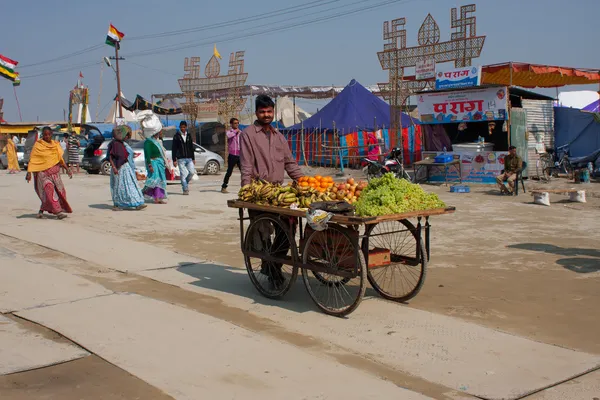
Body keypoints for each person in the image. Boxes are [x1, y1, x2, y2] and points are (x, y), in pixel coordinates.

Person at [240, 95, 303, 288]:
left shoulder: (279, 137)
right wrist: (245, 191)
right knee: (264, 232)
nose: (266, 115)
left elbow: (290, 163)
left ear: (273, 112)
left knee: (288, 228)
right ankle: (272, 272)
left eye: (269, 111)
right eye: (262, 112)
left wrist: (303, 181)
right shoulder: (248, 135)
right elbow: (246, 165)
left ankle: (272, 265)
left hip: (279, 193)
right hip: (259, 192)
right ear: (257, 112)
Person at [26, 126, 72, 219]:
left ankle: (41, 211)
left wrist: (67, 169)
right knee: (49, 191)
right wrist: (29, 172)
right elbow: (33, 159)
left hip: (55, 174)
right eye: (45, 135)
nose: (47, 136)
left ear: (51, 135)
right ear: (42, 135)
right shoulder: (38, 145)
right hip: (43, 174)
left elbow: (60, 159)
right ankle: (58, 212)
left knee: (61, 192)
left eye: (49, 134)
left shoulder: (55, 145)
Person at [107, 125, 147, 211]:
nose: (127, 137)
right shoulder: (114, 144)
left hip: (125, 167)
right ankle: (117, 204)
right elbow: (110, 157)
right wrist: (114, 167)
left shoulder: (121, 144)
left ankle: (137, 202)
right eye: (126, 135)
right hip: (119, 168)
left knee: (130, 186)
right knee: (118, 187)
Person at [138, 111, 168, 204]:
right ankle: (141, 194)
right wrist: (150, 165)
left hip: (159, 163)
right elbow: (147, 154)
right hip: (153, 163)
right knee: (153, 181)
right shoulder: (148, 142)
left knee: (159, 181)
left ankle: (157, 198)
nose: (161, 132)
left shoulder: (157, 141)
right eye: (160, 131)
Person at [172, 121, 195, 195]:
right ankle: (185, 189)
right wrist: (174, 160)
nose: (183, 128)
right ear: (180, 127)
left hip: (189, 158)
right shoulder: (176, 136)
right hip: (181, 158)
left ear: (186, 127)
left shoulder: (188, 135)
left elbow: (191, 147)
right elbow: (174, 148)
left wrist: (193, 158)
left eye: (184, 127)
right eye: (181, 127)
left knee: (191, 172)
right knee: (183, 174)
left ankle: (185, 182)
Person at [221, 117, 242, 194]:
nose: (236, 124)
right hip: (232, 155)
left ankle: (245, 187)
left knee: (243, 172)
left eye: (237, 123)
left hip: (240, 155)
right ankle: (224, 186)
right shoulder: (229, 132)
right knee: (229, 171)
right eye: (235, 123)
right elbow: (229, 136)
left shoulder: (240, 132)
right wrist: (235, 131)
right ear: (231, 124)